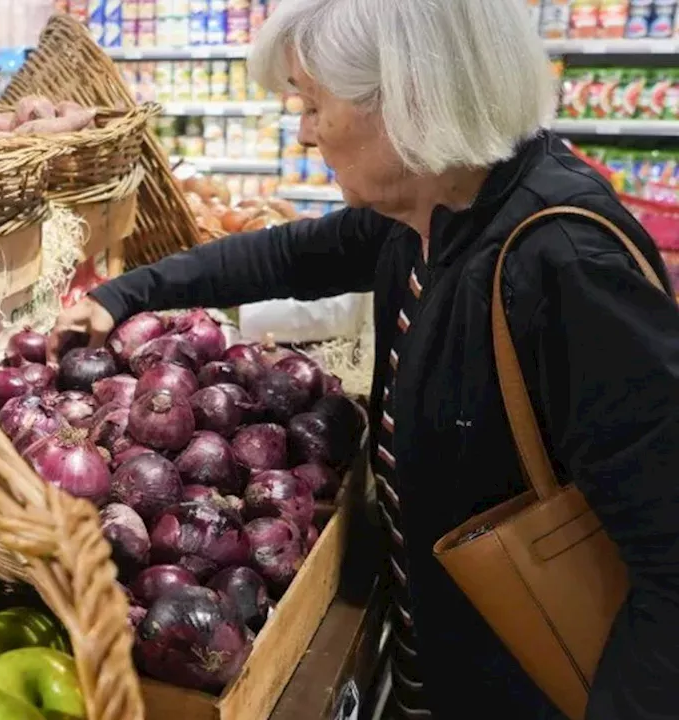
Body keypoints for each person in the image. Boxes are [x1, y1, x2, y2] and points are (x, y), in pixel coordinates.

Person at [49, 0, 679, 717]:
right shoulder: (430, 209)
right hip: (444, 667)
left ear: (409, 96)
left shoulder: (564, 267)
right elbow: (288, 253)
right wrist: (127, 295)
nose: (305, 130)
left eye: (314, 104)